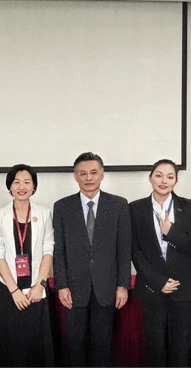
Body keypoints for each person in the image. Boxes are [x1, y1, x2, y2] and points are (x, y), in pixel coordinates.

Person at [52, 152, 132, 368]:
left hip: (106, 288)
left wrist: (122, 285)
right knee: (75, 346)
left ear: (102, 174)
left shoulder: (119, 205)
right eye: (83, 173)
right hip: (73, 288)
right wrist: (62, 285)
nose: (89, 177)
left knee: (103, 345)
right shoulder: (62, 207)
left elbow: (124, 249)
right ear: (75, 177)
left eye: (93, 172)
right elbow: (59, 250)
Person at [129, 159, 191, 368]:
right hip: (152, 290)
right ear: (150, 178)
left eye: (170, 177)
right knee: (155, 349)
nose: (164, 181)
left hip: (184, 290)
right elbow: (134, 250)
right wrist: (157, 281)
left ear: (176, 181)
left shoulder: (190, 207)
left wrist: (172, 233)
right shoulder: (135, 208)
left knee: (182, 349)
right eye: (159, 175)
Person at [0, 164, 55, 368]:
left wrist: (40, 285)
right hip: (8, 290)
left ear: (34, 186)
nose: (22, 186)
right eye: (16, 182)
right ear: (10, 186)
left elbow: (48, 249)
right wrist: (14, 291)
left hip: (36, 289)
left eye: (27, 182)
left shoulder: (44, 213)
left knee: (36, 346)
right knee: (10, 347)